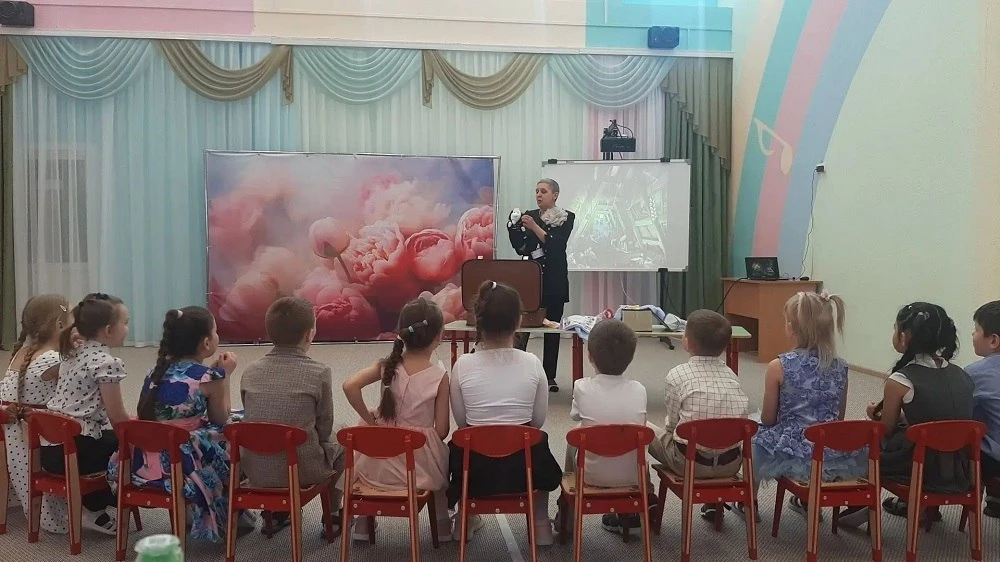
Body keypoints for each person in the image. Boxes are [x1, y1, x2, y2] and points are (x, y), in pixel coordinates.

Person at [107, 306, 246, 542]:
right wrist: (225, 377)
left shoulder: (154, 371)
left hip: (142, 462)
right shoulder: (210, 378)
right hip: (182, 464)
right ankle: (225, 508)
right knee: (234, 432)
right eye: (215, 331)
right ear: (206, 343)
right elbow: (221, 419)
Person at [839, 302, 974, 527]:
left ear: (904, 336)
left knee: (866, 440)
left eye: (895, 328)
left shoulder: (900, 380)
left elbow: (885, 429)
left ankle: (860, 504)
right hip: (959, 469)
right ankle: (926, 508)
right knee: (915, 434)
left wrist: (874, 416)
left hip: (921, 467)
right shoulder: (962, 375)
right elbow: (939, 418)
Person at [447, 281, 562, 544]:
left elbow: (462, 423)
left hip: (475, 471)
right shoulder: (532, 363)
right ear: (519, 321)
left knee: (460, 445)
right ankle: (541, 524)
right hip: (524, 469)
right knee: (538, 443)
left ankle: (464, 519)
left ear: (478, 321)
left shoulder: (462, 365)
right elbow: (538, 421)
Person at [342, 297, 452, 541]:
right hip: (418, 471)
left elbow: (349, 385)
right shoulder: (440, 376)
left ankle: (362, 526)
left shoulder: (386, 366)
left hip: (376, 466)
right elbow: (442, 430)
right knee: (441, 468)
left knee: (364, 458)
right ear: (439, 337)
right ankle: (443, 527)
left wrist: (369, 421)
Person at [752, 292, 865, 519]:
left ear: (791, 327)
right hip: (828, 449)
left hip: (792, 450)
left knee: (752, 431)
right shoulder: (841, 367)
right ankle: (807, 501)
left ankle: (749, 502)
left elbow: (768, 418)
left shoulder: (778, 366)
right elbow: (839, 418)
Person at [240, 297, 345, 537]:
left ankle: (277, 514)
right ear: (309, 335)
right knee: (343, 436)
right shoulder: (319, 372)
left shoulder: (250, 371)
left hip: (256, 470)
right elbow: (324, 426)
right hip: (302, 470)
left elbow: (252, 418)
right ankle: (333, 515)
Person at [647, 310, 750, 522]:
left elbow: (672, 426)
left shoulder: (677, 374)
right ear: (725, 345)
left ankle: (646, 496)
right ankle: (713, 503)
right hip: (731, 464)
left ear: (687, 342)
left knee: (641, 427)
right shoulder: (732, 376)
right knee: (711, 433)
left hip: (689, 464)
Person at [46, 292, 132, 535]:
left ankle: (100, 497)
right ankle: (95, 508)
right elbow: (117, 416)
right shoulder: (106, 362)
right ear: (108, 330)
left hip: (50, 449)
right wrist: (137, 439)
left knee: (107, 437)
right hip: (77, 452)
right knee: (129, 442)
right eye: (125, 323)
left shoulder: (72, 354)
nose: (127, 328)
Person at [561, 318, 648, 535]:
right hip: (634, 477)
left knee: (575, 436)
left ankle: (566, 516)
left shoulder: (581, 386)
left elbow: (574, 415)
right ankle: (636, 509)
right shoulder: (639, 389)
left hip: (590, 476)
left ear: (590, 356)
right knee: (638, 431)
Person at [1, 295, 70, 534]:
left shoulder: (22, 352)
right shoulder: (51, 359)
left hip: (14, 436)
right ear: (60, 325)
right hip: (34, 439)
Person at [508, 178, 576, 392]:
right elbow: (521, 248)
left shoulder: (567, 217)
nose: (538, 194)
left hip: (554, 281)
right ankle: (517, 373)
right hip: (531, 281)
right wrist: (513, 227)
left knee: (552, 329)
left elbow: (556, 245)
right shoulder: (530, 215)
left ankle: (549, 376)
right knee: (523, 328)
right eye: (537, 191)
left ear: (555, 195)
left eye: (543, 191)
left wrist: (534, 227)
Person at [968, 301, 1000, 517]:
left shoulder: (976, 373)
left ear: (994, 340)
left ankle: (921, 506)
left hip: (993, 461)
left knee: (947, 435)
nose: (973, 334)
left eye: (977, 329)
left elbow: (958, 412)